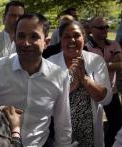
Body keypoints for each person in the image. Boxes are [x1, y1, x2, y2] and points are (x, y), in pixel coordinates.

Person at [0, 13, 72, 147]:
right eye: (21, 36)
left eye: (34, 37)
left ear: (46, 42)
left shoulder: (59, 76)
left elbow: (63, 123)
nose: (26, 43)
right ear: (14, 38)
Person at [48, 20, 112, 147]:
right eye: (66, 36)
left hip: (90, 135)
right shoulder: (50, 64)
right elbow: (46, 104)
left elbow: (106, 99)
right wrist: (71, 87)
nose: (72, 40)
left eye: (76, 35)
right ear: (61, 40)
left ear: (84, 37)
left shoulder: (96, 61)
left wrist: (85, 79)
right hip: (61, 135)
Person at [86, 16, 122, 147]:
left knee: (117, 123)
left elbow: (121, 64)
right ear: (91, 29)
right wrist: (112, 63)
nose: (105, 30)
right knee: (94, 126)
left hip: (112, 92)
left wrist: (101, 64)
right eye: (101, 27)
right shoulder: (85, 48)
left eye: (107, 27)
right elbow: (88, 68)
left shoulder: (114, 44)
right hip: (93, 94)